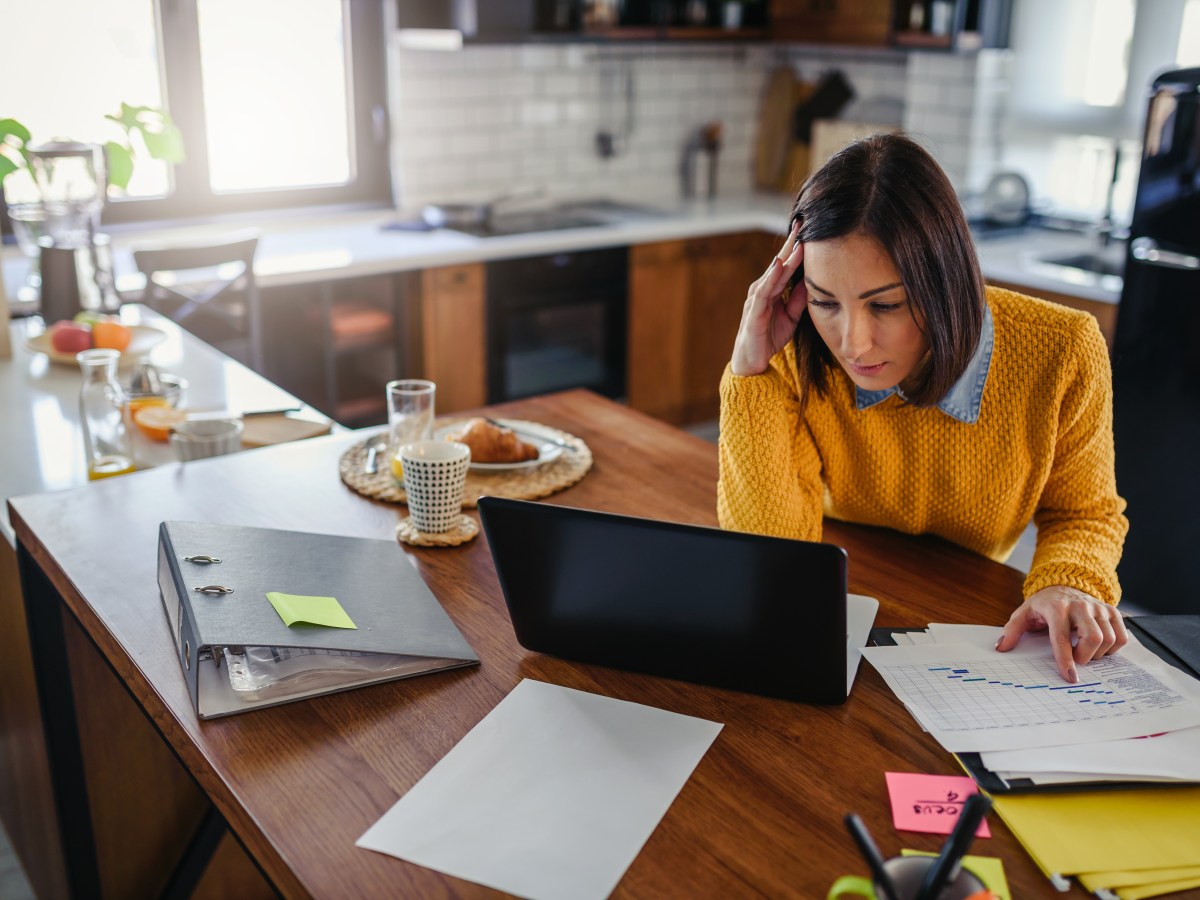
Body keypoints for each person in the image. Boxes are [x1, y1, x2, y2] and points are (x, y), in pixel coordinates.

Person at [718, 133, 1128, 683]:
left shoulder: (1062, 348)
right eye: (824, 301)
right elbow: (771, 556)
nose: (852, 343)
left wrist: (1068, 579)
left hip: (973, 618)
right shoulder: (795, 348)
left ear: (945, 281)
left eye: (884, 304)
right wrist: (750, 374)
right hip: (849, 583)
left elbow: (1084, 513)